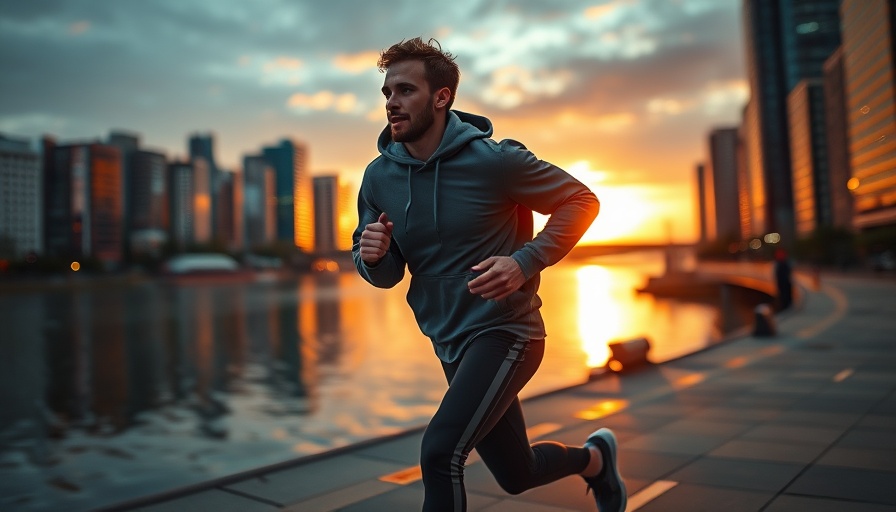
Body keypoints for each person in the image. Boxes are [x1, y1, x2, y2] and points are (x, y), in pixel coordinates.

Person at [352, 37, 625, 512]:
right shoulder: (379, 178)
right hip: (448, 339)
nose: (392, 103)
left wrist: (524, 262)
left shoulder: (494, 161)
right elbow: (387, 273)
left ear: (442, 97)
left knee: (440, 453)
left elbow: (581, 201)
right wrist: (372, 258)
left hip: (507, 331)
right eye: (388, 93)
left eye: (405, 91)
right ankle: (596, 459)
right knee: (518, 474)